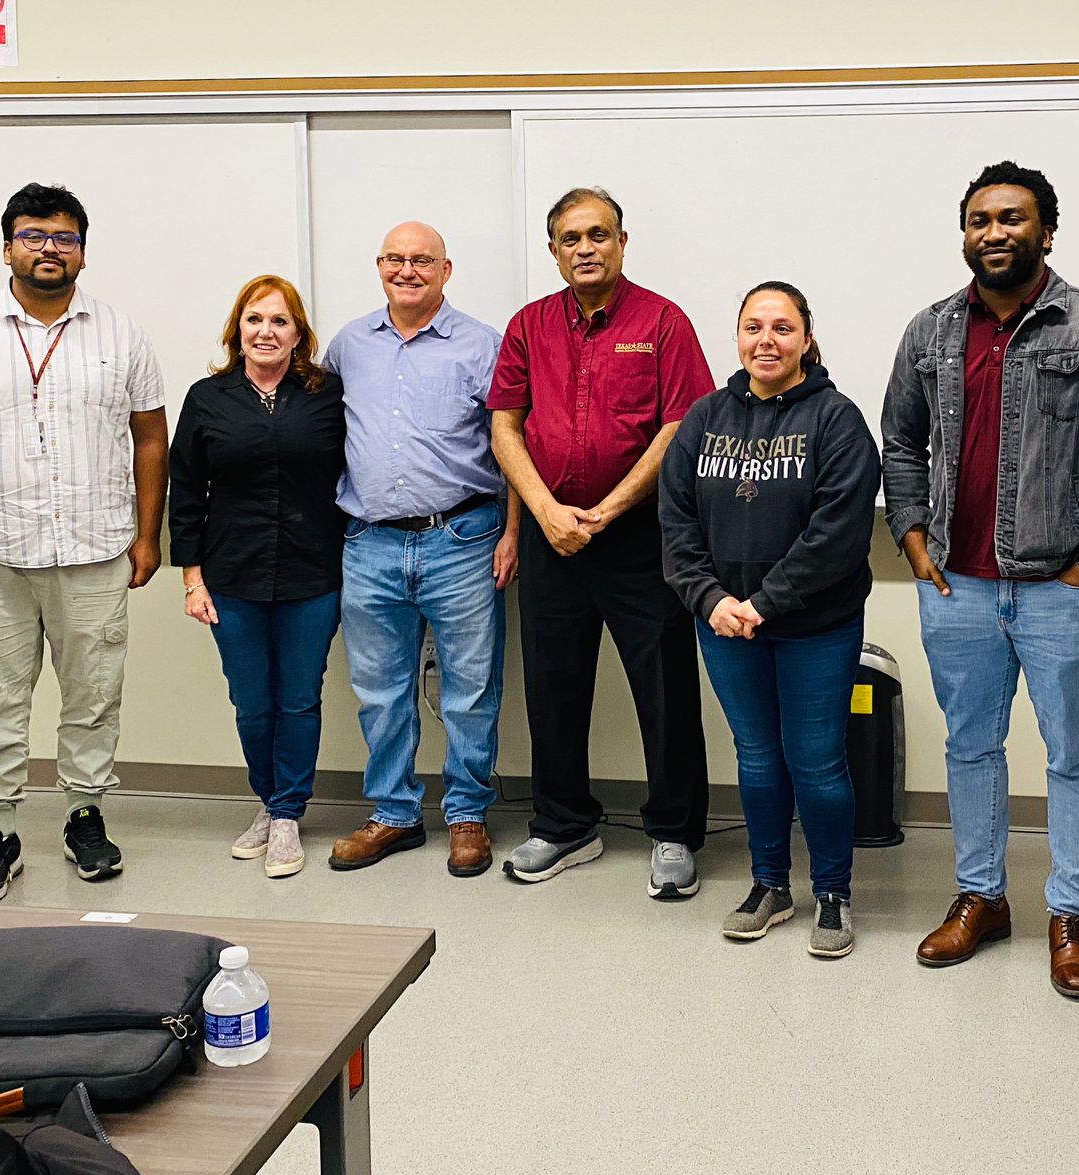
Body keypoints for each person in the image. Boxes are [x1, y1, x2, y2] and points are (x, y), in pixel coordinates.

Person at [882, 159, 1079, 997]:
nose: (993, 232)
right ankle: (982, 897)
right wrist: (917, 543)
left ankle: (1070, 914)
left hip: (1057, 589)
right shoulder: (929, 331)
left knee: (1074, 753)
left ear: (1046, 230)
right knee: (971, 746)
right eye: (979, 220)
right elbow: (899, 441)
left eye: (1011, 218)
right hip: (956, 585)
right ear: (964, 233)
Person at [0, 182, 168, 903]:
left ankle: (85, 815)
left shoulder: (122, 333)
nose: (49, 249)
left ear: (83, 251)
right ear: (8, 248)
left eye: (64, 237)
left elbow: (150, 437)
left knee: (93, 698)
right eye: (34, 236)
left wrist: (149, 535)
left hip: (95, 551)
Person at [489, 186, 716, 895]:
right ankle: (563, 826)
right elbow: (505, 426)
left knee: (666, 690)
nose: (585, 248)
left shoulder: (664, 322)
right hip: (553, 538)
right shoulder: (528, 326)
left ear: (622, 242)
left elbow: (682, 426)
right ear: (553, 251)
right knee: (553, 688)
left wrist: (608, 510)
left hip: (641, 541)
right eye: (570, 239)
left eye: (598, 235)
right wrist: (546, 510)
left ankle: (675, 832)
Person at [660, 281, 881, 958]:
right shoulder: (704, 418)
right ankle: (769, 886)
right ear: (737, 338)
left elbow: (838, 532)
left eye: (782, 328)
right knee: (755, 757)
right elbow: (676, 521)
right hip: (726, 625)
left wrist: (765, 601)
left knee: (815, 762)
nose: (766, 340)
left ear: (807, 340)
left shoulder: (836, 419)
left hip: (815, 626)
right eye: (753, 327)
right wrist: (710, 599)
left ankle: (834, 894)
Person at [323, 222, 515, 878]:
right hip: (370, 542)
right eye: (396, 259)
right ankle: (395, 815)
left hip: (462, 538)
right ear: (379, 266)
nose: (409, 270)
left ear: (446, 269)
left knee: (470, 687)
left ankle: (466, 814)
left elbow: (515, 443)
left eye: (422, 260)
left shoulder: (483, 346)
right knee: (379, 689)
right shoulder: (348, 346)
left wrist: (514, 532)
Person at [170, 275, 346, 879]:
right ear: (236, 330)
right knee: (251, 701)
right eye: (254, 320)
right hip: (231, 576)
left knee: (299, 698)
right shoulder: (207, 398)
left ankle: (288, 815)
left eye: (279, 321)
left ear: (299, 334)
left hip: (313, 572)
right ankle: (269, 804)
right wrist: (192, 578)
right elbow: (186, 492)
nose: (266, 331)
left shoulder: (327, 396)